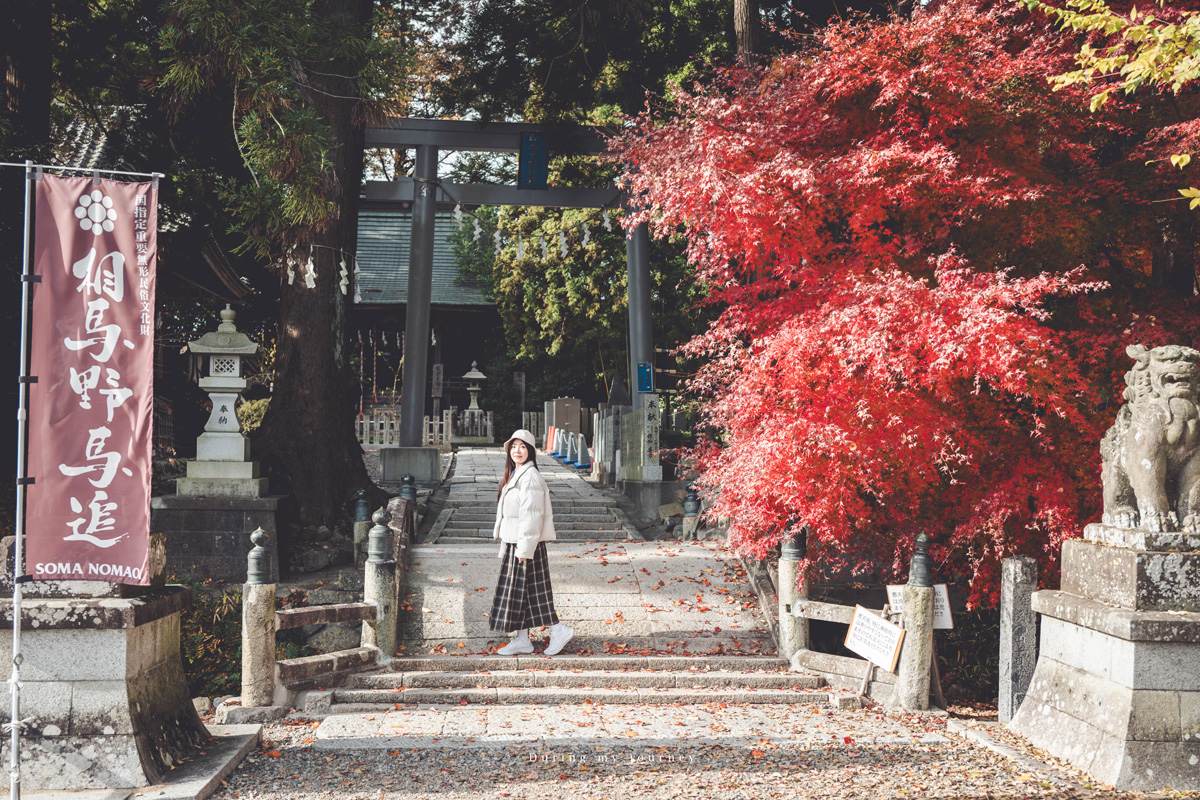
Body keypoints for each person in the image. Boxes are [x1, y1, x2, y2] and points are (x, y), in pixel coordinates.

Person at [490, 429, 574, 656]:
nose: (517, 451)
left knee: (535, 593)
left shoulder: (530, 477)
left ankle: (558, 630)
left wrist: (524, 549)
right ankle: (523, 639)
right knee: (522, 594)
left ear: (531, 451)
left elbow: (532, 516)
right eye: (514, 446)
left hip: (526, 545)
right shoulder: (516, 474)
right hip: (516, 543)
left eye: (523, 446)